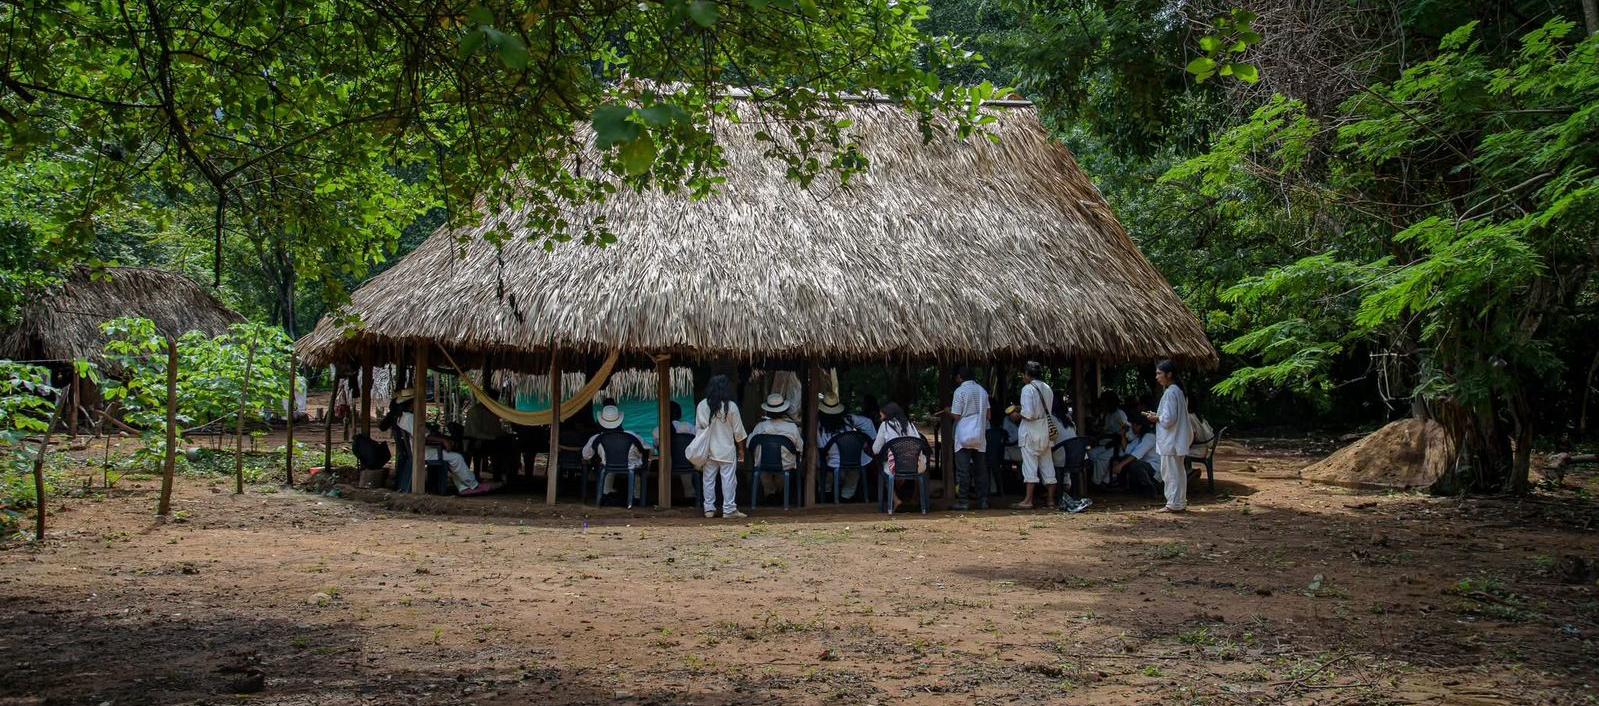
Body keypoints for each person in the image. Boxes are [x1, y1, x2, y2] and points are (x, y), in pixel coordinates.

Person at [390, 390, 495, 496]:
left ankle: (463, 487)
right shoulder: (410, 417)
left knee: (452, 457)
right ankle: (473, 485)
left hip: (417, 449)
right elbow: (424, 437)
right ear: (411, 403)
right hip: (421, 452)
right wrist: (443, 440)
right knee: (456, 458)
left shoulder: (402, 417)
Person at [1144, 359, 1194, 512]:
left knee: (1170, 472)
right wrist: (1159, 416)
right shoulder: (1177, 391)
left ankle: (1173, 503)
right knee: (1178, 471)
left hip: (1171, 439)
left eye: (1159, 373)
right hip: (1177, 438)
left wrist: (1156, 418)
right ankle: (1178, 502)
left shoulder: (1171, 392)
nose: (1157, 377)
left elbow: (1169, 419)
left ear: (1169, 374)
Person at [697, 375, 748, 519]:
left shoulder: (702, 405)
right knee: (729, 480)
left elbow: (699, 429)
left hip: (708, 450)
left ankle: (709, 509)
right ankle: (729, 510)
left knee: (708, 480)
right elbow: (738, 432)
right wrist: (741, 450)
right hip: (726, 450)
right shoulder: (731, 406)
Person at [939, 366, 990, 511]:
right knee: (981, 469)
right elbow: (989, 415)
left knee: (963, 470)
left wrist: (948, 411)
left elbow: (957, 415)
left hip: (964, 434)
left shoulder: (960, 391)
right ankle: (983, 500)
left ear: (960, 377)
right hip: (979, 434)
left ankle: (963, 501)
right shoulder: (982, 391)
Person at [583, 405, 649, 504]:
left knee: (606, 468)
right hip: (632, 466)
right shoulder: (632, 435)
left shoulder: (597, 438)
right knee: (637, 471)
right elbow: (647, 450)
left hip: (607, 466)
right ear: (620, 421)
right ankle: (637, 497)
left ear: (601, 423)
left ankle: (605, 495)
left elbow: (586, 455)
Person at [748, 393, 803, 500]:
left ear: (768, 410)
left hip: (762, 464)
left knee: (764, 471)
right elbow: (800, 448)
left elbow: (749, 445)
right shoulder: (792, 427)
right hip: (785, 465)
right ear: (784, 410)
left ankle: (770, 494)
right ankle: (779, 493)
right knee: (784, 470)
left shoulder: (759, 427)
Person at [871, 402, 923, 511]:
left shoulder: (884, 426)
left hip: (895, 467)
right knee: (920, 473)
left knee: (883, 470)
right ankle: (916, 499)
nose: (880, 419)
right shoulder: (910, 425)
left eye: (881, 416)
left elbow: (875, 450)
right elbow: (920, 443)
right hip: (916, 465)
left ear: (887, 415)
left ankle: (896, 500)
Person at [818, 395, 866, 501]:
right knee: (853, 476)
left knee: (821, 466)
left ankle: (826, 494)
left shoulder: (821, 429)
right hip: (854, 464)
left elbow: (821, 448)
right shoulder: (848, 426)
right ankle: (846, 497)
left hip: (832, 466)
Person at [651, 400, 699, 498]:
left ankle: (662, 495)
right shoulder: (688, 427)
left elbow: (656, 448)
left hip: (666, 465)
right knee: (686, 459)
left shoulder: (657, 430)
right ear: (679, 414)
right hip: (687, 464)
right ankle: (689, 493)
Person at [1109, 415, 1160, 495]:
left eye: (1134, 425)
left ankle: (1149, 488)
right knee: (1126, 459)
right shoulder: (1139, 438)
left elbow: (1136, 455)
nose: (1132, 428)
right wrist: (1123, 435)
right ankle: (1125, 487)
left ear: (1139, 426)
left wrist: (1120, 465)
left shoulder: (1150, 437)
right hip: (1146, 467)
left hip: (1155, 468)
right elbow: (1127, 450)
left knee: (1135, 464)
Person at [1089, 391, 1130, 486]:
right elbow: (1105, 431)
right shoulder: (1108, 415)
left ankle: (1098, 483)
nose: (1103, 405)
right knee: (1090, 454)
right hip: (1107, 444)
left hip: (1119, 446)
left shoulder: (1120, 414)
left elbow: (1125, 430)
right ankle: (1107, 477)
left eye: (1104, 402)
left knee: (1101, 459)